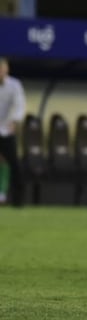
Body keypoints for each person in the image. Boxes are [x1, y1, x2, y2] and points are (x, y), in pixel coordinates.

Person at [0, 57, 26, 208]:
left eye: (3, 69)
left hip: (6, 130)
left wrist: (15, 121)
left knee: (15, 164)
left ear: (7, 70)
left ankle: (18, 201)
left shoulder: (15, 85)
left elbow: (19, 105)